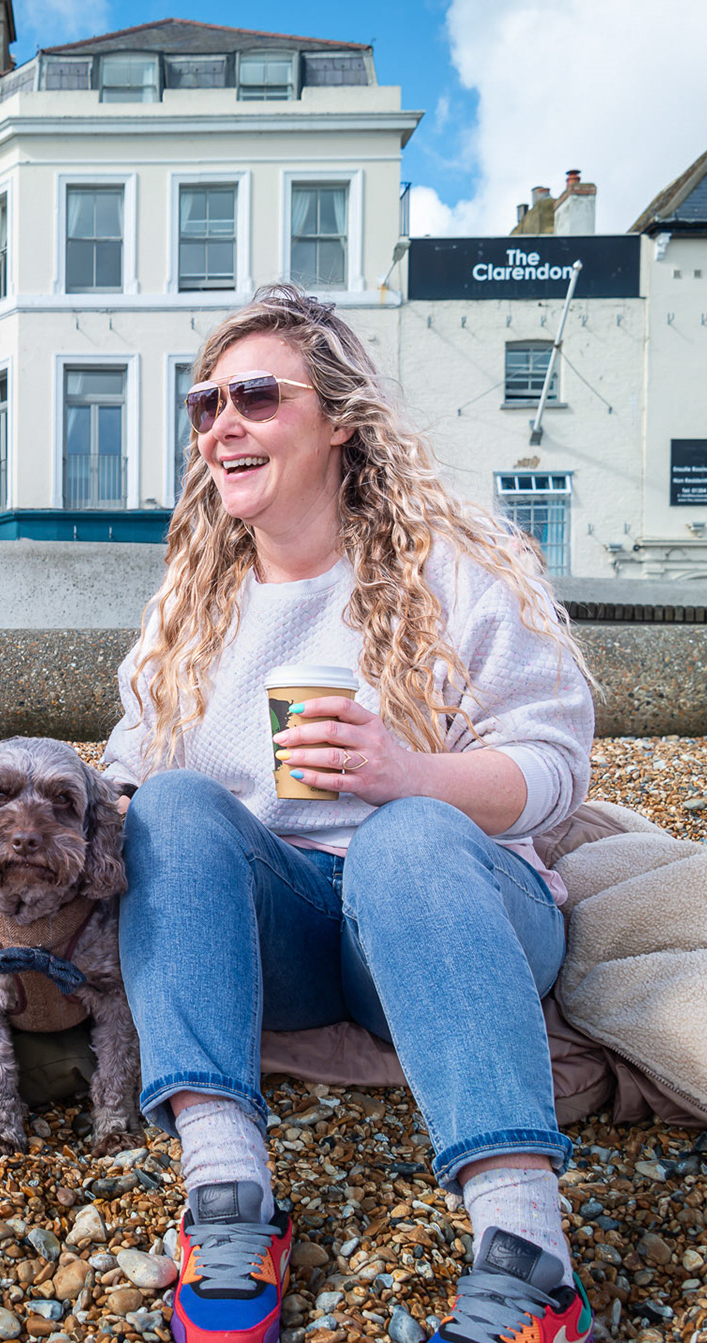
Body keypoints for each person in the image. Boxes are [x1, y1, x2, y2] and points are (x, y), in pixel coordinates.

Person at [101, 286, 596, 1343]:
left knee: (406, 837)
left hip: (439, 910)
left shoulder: (450, 566)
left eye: (256, 395)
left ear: (336, 419)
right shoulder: (191, 603)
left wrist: (405, 771)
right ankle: (227, 1196)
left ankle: (530, 1253)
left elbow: (555, 767)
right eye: (205, 403)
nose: (222, 421)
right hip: (282, 935)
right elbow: (129, 766)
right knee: (173, 803)